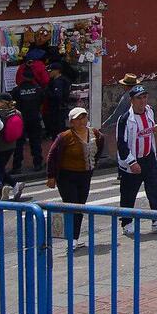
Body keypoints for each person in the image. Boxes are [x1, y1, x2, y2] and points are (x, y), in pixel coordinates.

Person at [47, 107, 104, 252]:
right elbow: (52, 156)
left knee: (80, 207)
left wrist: (92, 166)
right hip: (66, 176)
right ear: (71, 122)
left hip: (85, 176)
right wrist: (51, 176)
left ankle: (75, 238)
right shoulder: (65, 137)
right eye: (77, 119)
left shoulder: (95, 134)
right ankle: (71, 239)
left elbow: (98, 151)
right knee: (72, 206)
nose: (81, 121)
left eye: (83, 117)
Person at [116, 85, 157, 235]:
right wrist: (132, 162)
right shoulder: (125, 119)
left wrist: (155, 129)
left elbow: (150, 129)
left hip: (149, 158)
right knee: (128, 193)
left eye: (145, 97)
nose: (143, 101)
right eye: (139, 98)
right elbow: (121, 143)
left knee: (154, 190)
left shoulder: (150, 111)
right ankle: (126, 223)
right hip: (133, 161)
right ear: (132, 100)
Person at [9, 70, 46, 172]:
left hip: (20, 119)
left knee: (19, 143)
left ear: (23, 77)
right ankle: (38, 164)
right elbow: (42, 101)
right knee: (36, 142)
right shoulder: (38, 89)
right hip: (34, 118)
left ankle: (17, 166)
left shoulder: (17, 90)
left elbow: (12, 104)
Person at [0, 95, 24, 200]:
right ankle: (14, 186)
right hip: (11, 144)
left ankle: (0, 191)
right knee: (0, 168)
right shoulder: (17, 112)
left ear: (3, 102)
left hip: (0, 145)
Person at [103, 74, 141, 159]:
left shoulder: (126, 97)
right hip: (138, 122)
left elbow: (117, 114)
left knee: (126, 143)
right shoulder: (139, 95)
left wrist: (106, 123)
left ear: (126, 86)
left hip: (128, 124)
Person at [44, 62, 71, 139]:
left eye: (51, 70)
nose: (49, 72)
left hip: (57, 109)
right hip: (60, 108)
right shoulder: (62, 80)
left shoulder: (58, 82)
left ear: (57, 71)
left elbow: (57, 96)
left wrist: (47, 92)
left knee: (57, 130)